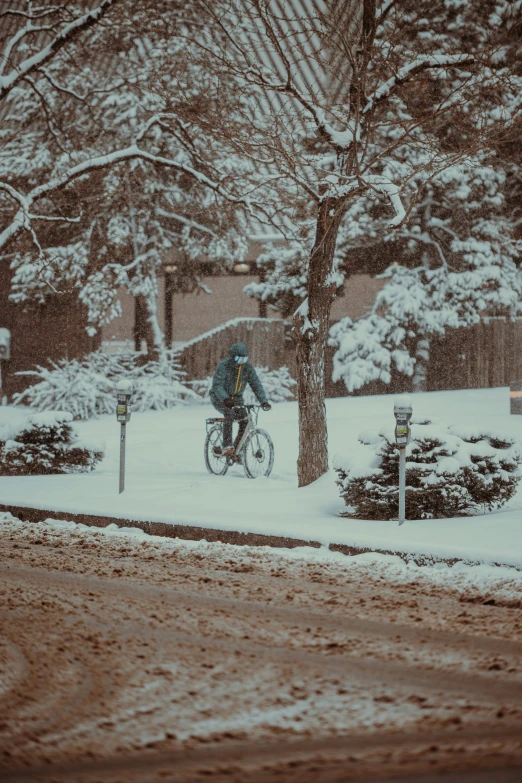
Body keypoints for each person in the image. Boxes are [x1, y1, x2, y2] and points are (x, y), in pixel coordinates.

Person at [210, 342, 271, 456]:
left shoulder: (247, 368)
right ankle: (227, 446)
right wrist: (225, 399)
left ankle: (236, 451)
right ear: (233, 357)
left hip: (237, 399)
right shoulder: (223, 366)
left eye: (244, 358)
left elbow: (256, 384)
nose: (242, 361)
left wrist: (263, 401)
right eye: (239, 358)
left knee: (245, 421)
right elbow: (217, 385)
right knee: (229, 413)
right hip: (219, 398)